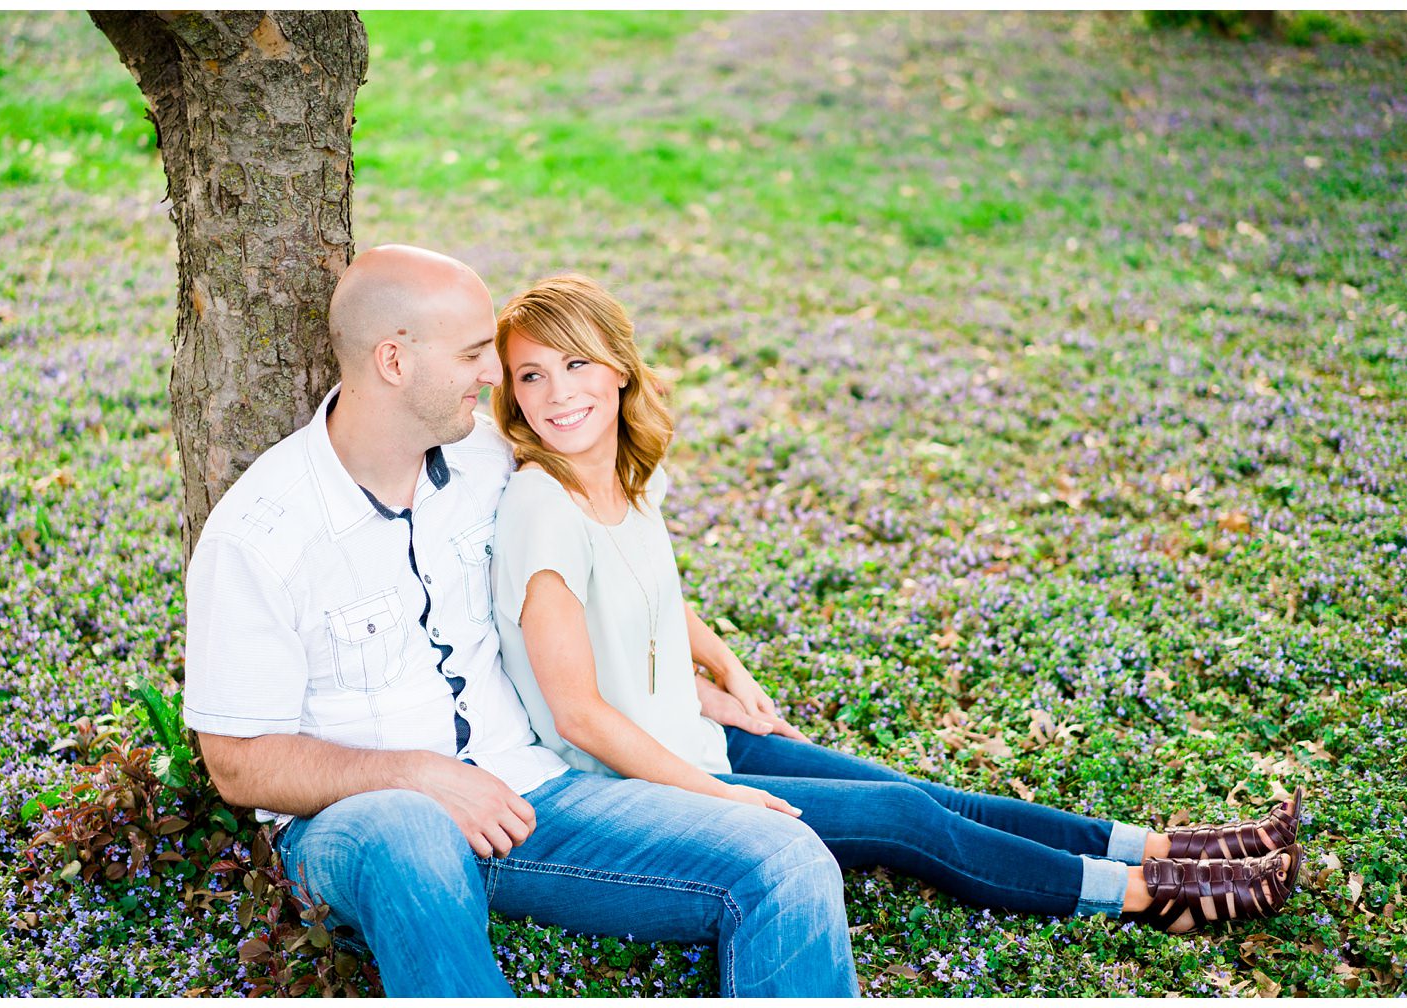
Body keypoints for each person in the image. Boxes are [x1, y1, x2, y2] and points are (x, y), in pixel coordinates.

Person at [489, 273, 1305, 937]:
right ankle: (1157, 896)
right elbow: (580, 716)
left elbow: (648, 586)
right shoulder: (541, 505)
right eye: (532, 375)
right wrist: (721, 797)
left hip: (698, 734)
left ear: (621, 370)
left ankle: (1173, 848)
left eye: (577, 365)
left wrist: (725, 669)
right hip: (650, 783)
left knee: (919, 792)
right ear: (513, 394)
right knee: (904, 820)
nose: (557, 394)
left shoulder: (625, 474)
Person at [181, 245, 861, 998]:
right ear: (394, 361)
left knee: (788, 857)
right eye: (475, 352)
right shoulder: (263, 533)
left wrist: (700, 674)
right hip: (360, 828)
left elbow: (596, 570)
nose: (495, 374)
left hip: (535, 792)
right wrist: (416, 775)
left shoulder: (489, 457)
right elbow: (237, 763)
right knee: (413, 829)